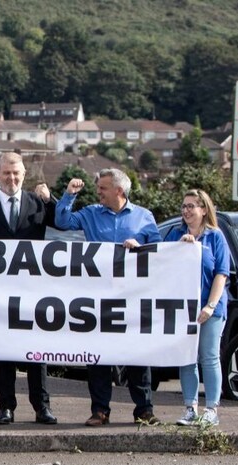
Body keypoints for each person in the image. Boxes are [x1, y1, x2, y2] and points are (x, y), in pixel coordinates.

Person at [55, 168, 161, 427]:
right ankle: (100, 410)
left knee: (138, 355)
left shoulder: (144, 217)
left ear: (119, 190)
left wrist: (140, 248)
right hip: (98, 297)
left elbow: (159, 252)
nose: (98, 192)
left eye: (102, 188)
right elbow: (62, 222)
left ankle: (144, 409)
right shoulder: (90, 213)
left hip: (133, 297)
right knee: (98, 356)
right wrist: (69, 195)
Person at [0, 152, 59, 426]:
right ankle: (6, 407)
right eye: (6, 173)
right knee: (4, 352)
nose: (11, 178)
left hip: (33, 292)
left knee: (36, 353)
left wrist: (50, 199)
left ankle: (42, 408)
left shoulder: (38, 203)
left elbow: (65, 224)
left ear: (24, 175)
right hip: (0, 294)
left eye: (16, 173)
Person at [165, 190, 230, 427]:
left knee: (209, 356)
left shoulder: (215, 237)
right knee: (187, 358)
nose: (186, 210)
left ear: (204, 209)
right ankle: (190, 407)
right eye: (184, 206)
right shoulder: (175, 234)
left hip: (210, 308)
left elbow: (221, 274)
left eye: (192, 206)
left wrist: (210, 306)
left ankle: (211, 408)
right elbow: (161, 261)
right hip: (183, 308)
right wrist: (180, 249)